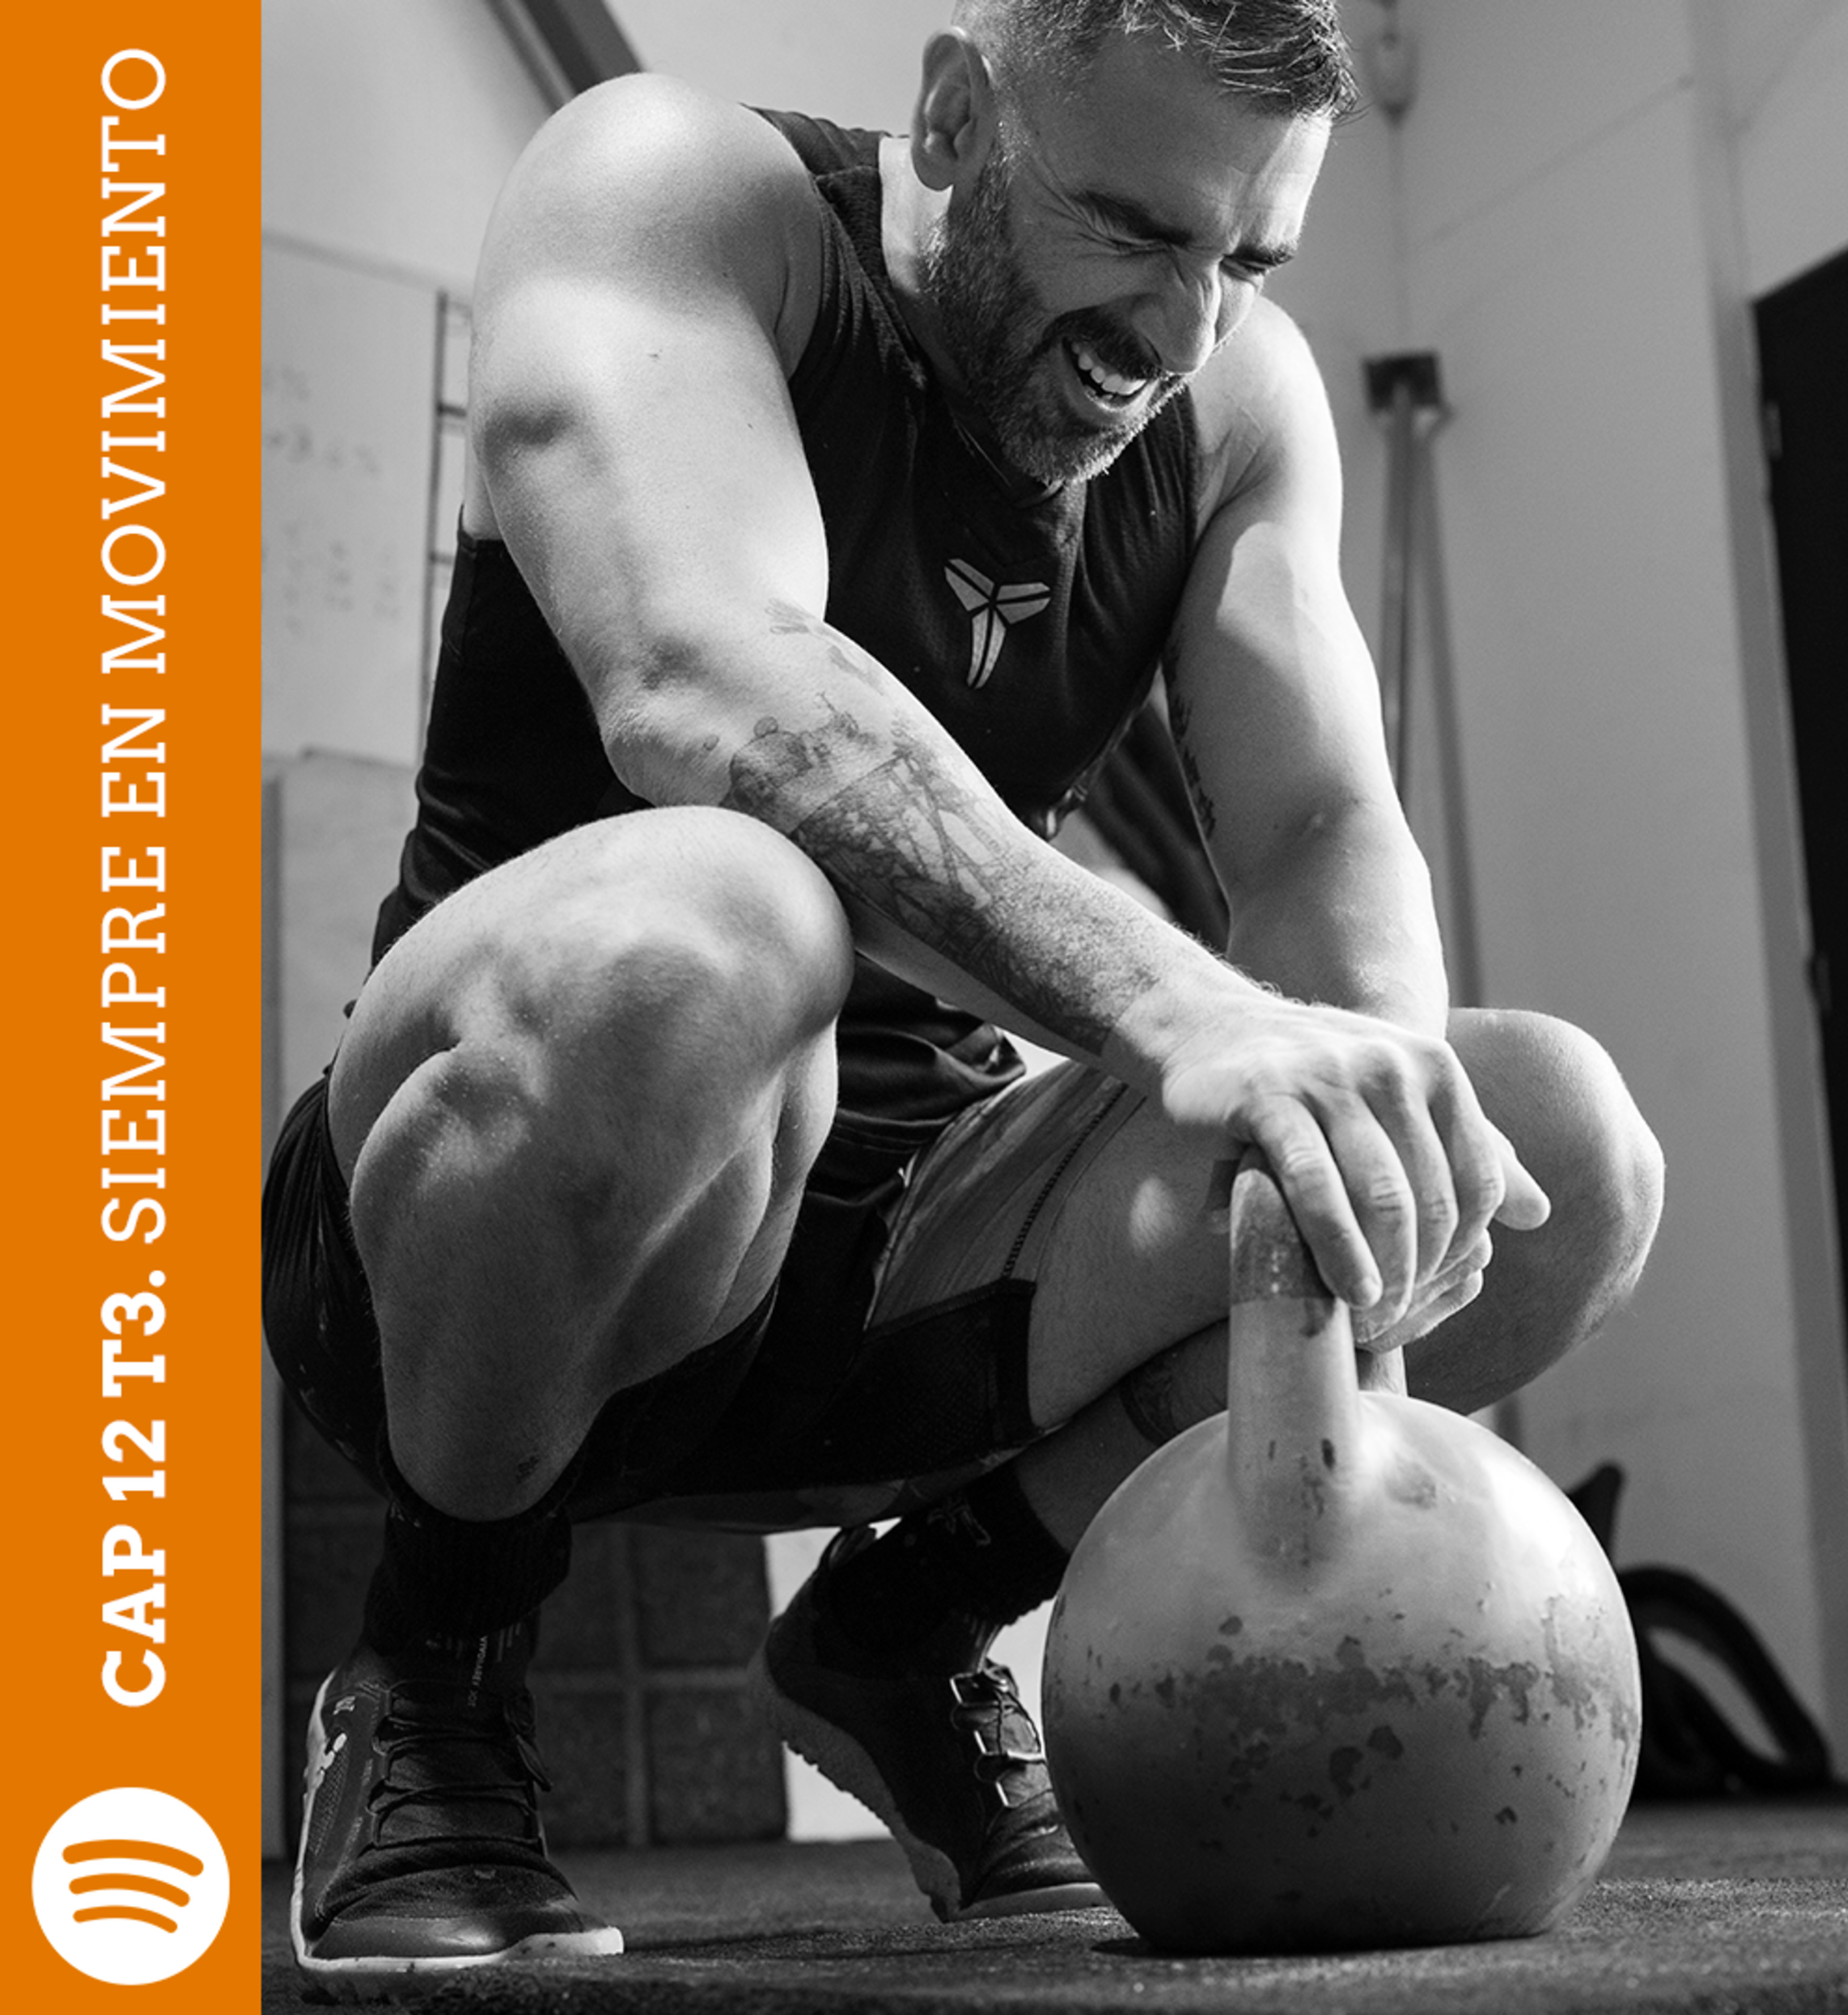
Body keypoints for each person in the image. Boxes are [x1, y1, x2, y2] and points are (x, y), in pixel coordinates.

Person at [264, 0, 1664, 1994]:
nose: (1179, 328)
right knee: (719, 924)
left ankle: (905, 1630)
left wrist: (1371, 1197)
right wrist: (1182, 1009)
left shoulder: (1239, 400)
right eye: (1133, 229)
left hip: (924, 1261)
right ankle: (431, 1658)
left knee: (1537, 1145)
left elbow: (1319, 828)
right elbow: (707, 685)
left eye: (1246, 257)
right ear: (951, 117)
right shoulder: (678, 193)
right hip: (516, 1231)